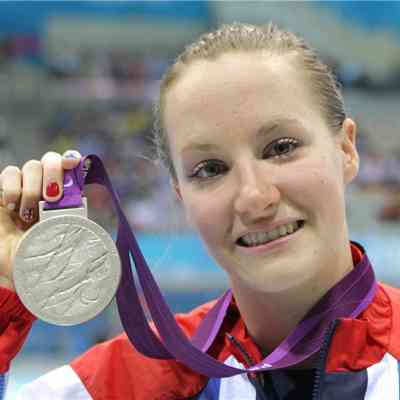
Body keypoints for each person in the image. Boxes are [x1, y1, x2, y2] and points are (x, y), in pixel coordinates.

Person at [0, 22, 399, 400]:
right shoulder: (118, 385)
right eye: (209, 169)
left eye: (281, 147)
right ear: (180, 196)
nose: (254, 197)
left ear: (347, 149)